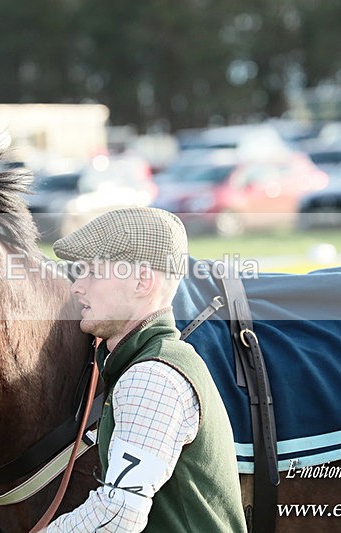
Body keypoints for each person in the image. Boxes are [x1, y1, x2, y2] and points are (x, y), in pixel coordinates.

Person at [46, 207, 248, 532]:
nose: (77, 287)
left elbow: (118, 515)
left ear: (142, 281)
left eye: (94, 272)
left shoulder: (152, 376)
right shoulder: (148, 362)